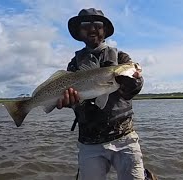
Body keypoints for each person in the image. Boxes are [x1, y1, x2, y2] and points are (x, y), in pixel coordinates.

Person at [57, 8, 152, 180]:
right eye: (86, 25)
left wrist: (135, 82)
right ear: (79, 31)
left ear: (105, 31)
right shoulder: (74, 64)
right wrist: (69, 102)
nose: (92, 29)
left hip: (125, 138)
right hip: (89, 142)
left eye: (98, 25)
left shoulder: (121, 57)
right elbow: (74, 100)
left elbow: (135, 86)